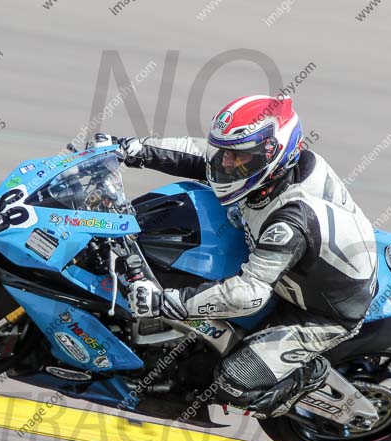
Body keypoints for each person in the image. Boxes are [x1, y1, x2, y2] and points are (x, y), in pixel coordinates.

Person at [112, 95, 377, 418]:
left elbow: (249, 294)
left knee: (233, 383)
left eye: (238, 156)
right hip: (291, 264)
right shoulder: (272, 169)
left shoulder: (291, 220)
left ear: (273, 154)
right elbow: (199, 154)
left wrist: (168, 303)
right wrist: (127, 149)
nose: (225, 163)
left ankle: (309, 374)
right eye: (225, 151)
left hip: (317, 311)